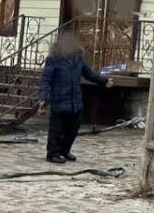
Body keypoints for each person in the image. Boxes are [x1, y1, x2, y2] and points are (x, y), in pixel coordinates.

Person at [37, 31, 110, 164]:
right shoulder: (53, 59)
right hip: (59, 100)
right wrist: (43, 99)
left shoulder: (78, 58)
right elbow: (46, 80)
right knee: (57, 129)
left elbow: (90, 75)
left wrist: (104, 80)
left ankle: (64, 151)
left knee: (73, 129)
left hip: (75, 101)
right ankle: (53, 153)